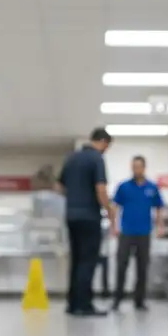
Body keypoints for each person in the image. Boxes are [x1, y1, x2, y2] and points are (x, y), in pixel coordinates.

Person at [57, 128, 115, 317]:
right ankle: (84, 305)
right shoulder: (96, 158)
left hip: (71, 215)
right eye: (107, 146)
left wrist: (75, 197)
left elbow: (59, 186)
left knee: (75, 260)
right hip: (89, 216)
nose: (106, 150)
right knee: (87, 261)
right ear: (102, 141)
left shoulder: (71, 157)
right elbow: (101, 189)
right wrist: (110, 211)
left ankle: (72, 304)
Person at [112, 155, 165, 311]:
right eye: (134, 167)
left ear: (144, 168)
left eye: (139, 166)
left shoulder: (152, 187)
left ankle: (139, 301)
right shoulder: (124, 187)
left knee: (142, 268)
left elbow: (159, 207)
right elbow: (115, 207)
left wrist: (160, 226)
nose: (137, 169)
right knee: (121, 266)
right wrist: (113, 226)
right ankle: (117, 300)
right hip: (126, 232)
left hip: (144, 233)